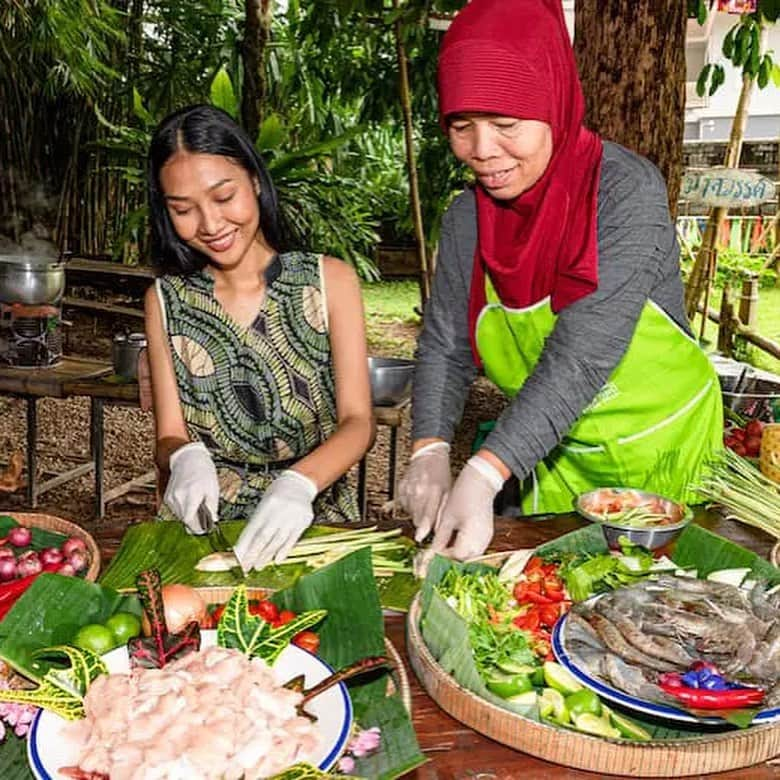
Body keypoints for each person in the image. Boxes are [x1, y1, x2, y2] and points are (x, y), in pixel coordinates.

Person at [398, 0, 723, 561]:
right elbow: (446, 346)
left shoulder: (625, 193)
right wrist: (429, 447)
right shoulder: (466, 220)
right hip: (553, 451)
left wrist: (482, 472)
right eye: (460, 125)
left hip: (667, 450)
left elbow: (583, 354)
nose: (481, 151)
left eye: (505, 124)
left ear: (554, 101)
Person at [144, 104, 373, 571]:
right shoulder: (166, 300)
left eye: (223, 196)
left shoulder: (329, 281)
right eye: (183, 210)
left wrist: (300, 484)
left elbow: (358, 421)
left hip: (310, 515)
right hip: (204, 525)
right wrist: (183, 456)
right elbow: (168, 433)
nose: (209, 224)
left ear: (254, 180)